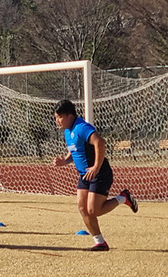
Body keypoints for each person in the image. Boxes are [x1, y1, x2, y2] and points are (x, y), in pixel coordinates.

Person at [52, 99, 137, 251]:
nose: (57, 120)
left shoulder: (82, 127)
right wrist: (64, 161)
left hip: (100, 173)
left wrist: (96, 167)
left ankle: (123, 198)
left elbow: (100, 143)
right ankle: (100, 242)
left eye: (59, 117)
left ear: (70, 115)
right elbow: (74, 151)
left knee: (94, 210)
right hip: (85, 175)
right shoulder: (67, 131)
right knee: (82, 208)